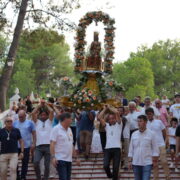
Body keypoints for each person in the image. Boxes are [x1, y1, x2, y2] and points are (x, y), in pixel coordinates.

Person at [50, 112, 80, 180]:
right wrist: (53, 157)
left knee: (67, 178)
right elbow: (52, 144)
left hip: (69, 159)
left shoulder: (69, 130)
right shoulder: (56, 129)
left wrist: (76, 158)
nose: (72, 121)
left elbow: (71, 144)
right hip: (60, 159)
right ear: (66, 119)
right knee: (63, 178)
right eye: (71, 119)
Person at [128, 115, 159, 180]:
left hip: (147, 162)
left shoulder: (152, 134)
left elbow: (155, 149)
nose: (139, 123)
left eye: (141, 121)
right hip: (136, 162)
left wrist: (155, 161)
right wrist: (129, 161)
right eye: (138, 121)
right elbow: (131, 149)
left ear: (145, 122)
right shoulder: (134, 134)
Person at [145, 107, 170, 180]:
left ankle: (168, 177)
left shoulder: (159, 122)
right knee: (155, 164)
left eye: (150, 114)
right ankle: (156, 178)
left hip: (161, 144)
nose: (149, 115)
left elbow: (164, 132)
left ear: (153, 114)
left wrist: (166, 141)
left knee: (164, 161)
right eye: (147, 114)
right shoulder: (146, 124)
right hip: (152, 146)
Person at [99, 105, 122, 180]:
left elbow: (117, 113)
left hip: (116, 149)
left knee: (116, 168)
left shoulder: (119, 125)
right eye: (110, 119)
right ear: (108, 120)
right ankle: (109, 175)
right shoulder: (107, 126)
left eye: (113, 118)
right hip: (108, 149)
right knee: (105, 166)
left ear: (115, 119)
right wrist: (105, 109)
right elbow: (99, 118)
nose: (112, 120)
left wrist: (110, 108)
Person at [32, 100, 54, 180]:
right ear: (40, 116)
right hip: (39, 147)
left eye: (45, 115)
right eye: (42, 115)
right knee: (36, 162)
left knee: (47, 165)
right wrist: (39, 105)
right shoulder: (37, 122)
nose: (43, 116)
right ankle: (38, 177)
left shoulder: (49, 122)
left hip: (48, 146)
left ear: (47, 116)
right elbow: (33, 113)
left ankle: (45, 178)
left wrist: (46, 105)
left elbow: (51, 111)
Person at [13, 110, 36, 180]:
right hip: (16, 146)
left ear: (25, 116)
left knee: (25, 162)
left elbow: (34, 134)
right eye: (19, 117)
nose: (20, 118)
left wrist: (34, 143)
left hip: (26, 146)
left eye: (22, 117)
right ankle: (17, 176)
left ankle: (23, 176)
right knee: (14, 162)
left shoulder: (30, 123)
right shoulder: (15, 123)